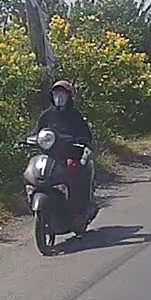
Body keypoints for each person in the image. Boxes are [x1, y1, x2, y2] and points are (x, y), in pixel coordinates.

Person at [35, 80, 93, 221]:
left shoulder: (75, 115)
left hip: (70, 154)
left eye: (63, 94)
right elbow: (38, 133)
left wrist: (79, 140)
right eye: (56, 94)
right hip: (49, 156)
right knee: (36, 172)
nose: (59, 97)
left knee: (75, 175)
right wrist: (28, 140)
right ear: (52, 96)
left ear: (69, 97)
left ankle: (79, 210)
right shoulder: (46, 115)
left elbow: (86, 134)